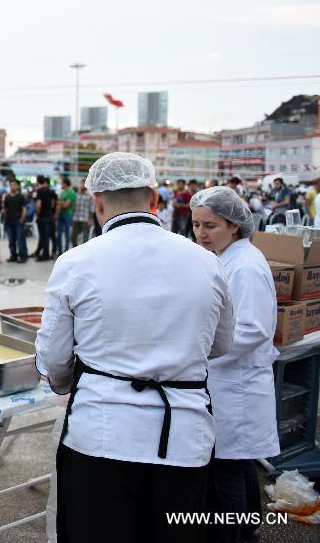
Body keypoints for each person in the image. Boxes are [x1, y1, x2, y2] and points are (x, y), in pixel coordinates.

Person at [36, 152, 235, 543]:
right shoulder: (206, 261)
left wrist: (66, 383)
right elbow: (221, 343)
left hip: (101, 437)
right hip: (183, 439)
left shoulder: (77, 261)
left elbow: (53, 359)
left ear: (96, 201)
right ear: (154, 198)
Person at [191, 187, 280, 543]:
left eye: (210, 226)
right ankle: (248, 532)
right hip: (227, 382)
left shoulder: (244, 266)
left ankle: (236, 536)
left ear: (234, 226)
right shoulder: (227, 258)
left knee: (227, 470)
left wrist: (199, 351)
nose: (200, 233)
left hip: (236, 386)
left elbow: (252, 329)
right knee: (238, 465)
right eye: (196, 224)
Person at [3, 179, 28, 263]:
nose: (12, 186)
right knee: (11, 240)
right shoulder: (7, 196)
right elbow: (5, 209)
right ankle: (13, 255)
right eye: (11, 185)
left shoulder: (21, 196)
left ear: (18, 186)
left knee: (20, 239)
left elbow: (24, 209)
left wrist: (21, 219)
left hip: (18, 221)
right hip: (9, 221)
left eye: (14, 185)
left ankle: (23, 256)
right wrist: (5, 219)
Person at [35, 176, 57, 262]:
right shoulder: (51, 191)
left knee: (44, 236)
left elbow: (38, 204)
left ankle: (45, 255)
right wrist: (53, 212)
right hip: (50, 216)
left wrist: (37, 215)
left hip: (43, 216)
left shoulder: (40, 191)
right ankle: (50, 253)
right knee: (49, 236)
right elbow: (55, 202)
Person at [56, 178, 76, 255]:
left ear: (65, 184)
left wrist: (60, 202)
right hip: (61, 214)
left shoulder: (71, 193)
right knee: (59, 233)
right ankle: (59, 250)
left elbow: (65, 205)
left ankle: (66, 251)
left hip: (68, 215)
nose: (61, 185)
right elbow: (60, 204)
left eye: (62, 183)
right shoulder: (62, 192)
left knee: (67, 233)